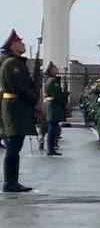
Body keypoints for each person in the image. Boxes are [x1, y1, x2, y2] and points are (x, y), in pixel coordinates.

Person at [2, 31, 37, 192]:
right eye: (19, 42)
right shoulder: (11, 64)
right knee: (13, 146)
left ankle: (13, 181)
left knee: (15, 145)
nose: (23, 44)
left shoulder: (16, 63)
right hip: (14, 107)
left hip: (18, 106)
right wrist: (33, 97)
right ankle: (9, 182)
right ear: (13, 46)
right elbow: (19, 87)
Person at [43, 61, 68, 156]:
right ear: (51, 69)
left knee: (52, 127)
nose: (57, 69)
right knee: (52, 128)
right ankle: (50, 148)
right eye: (55, 68)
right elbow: (57, 95)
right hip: (54, 106)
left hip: (51, 105)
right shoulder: (53, 81)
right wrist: (64, 103)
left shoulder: (48, 80)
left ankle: (51, 147)